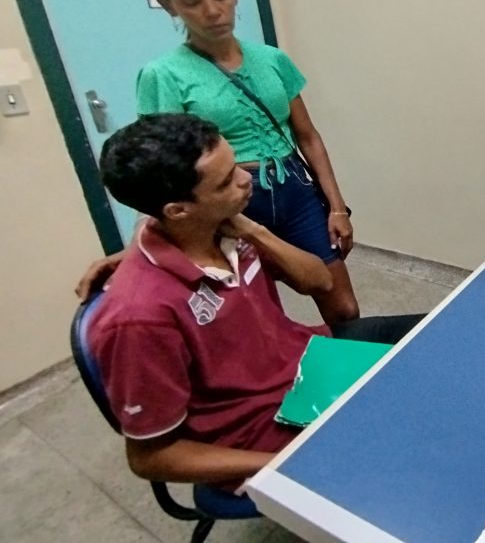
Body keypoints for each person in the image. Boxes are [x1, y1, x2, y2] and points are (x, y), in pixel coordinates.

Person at [89, 114, 421, 488]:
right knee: (415, 442)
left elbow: (320, 280)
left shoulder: (222, 228)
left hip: (306, 358)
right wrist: (285, 464)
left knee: (443, 338)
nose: (247, 178)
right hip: (259, 429)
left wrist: (253, 230)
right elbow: (152, 457)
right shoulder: (138, 317)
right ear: (178, 210)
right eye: (226, 181)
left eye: (236, 165)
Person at [78, 0, 359, 323]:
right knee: (258, 313)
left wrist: (337, 208)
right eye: (192, 1)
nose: (212, 11)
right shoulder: (164, 75)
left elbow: (308, 136)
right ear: (167, 4)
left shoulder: (272, 59)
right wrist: (139, 250)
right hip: (227, 201)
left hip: (295, 189)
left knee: (343, 307)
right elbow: (161, 172)